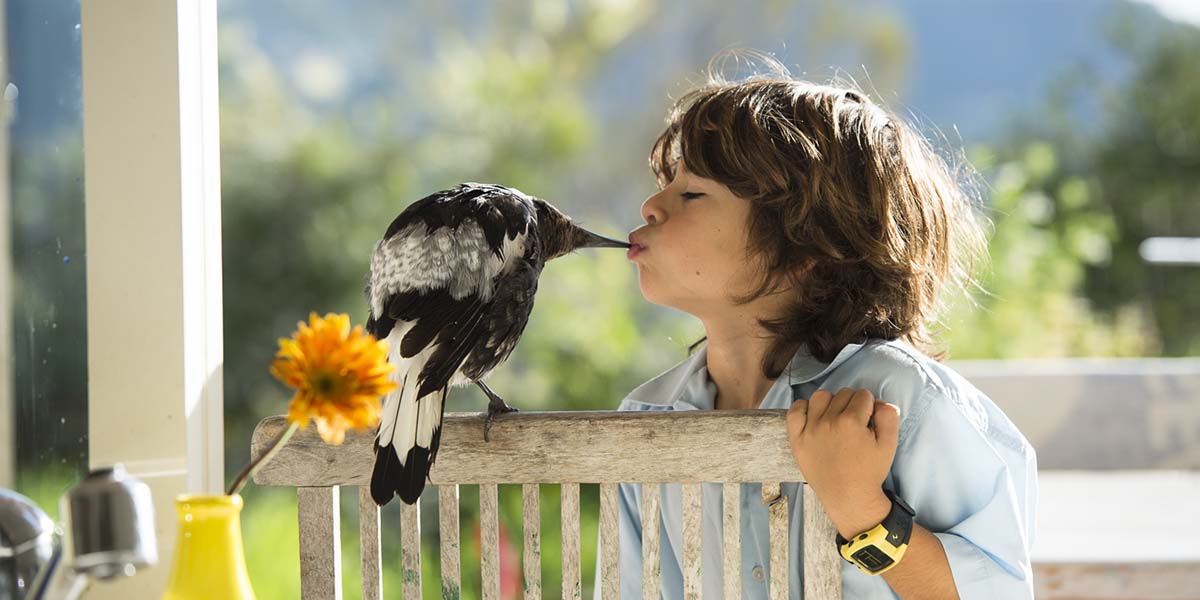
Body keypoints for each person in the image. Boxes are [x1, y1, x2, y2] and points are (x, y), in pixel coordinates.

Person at [596, 54, 1037, 599]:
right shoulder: (646, 419)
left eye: (691, 193)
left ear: (804, 249)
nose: (651, 206)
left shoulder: (900, 400)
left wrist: (862, 510)